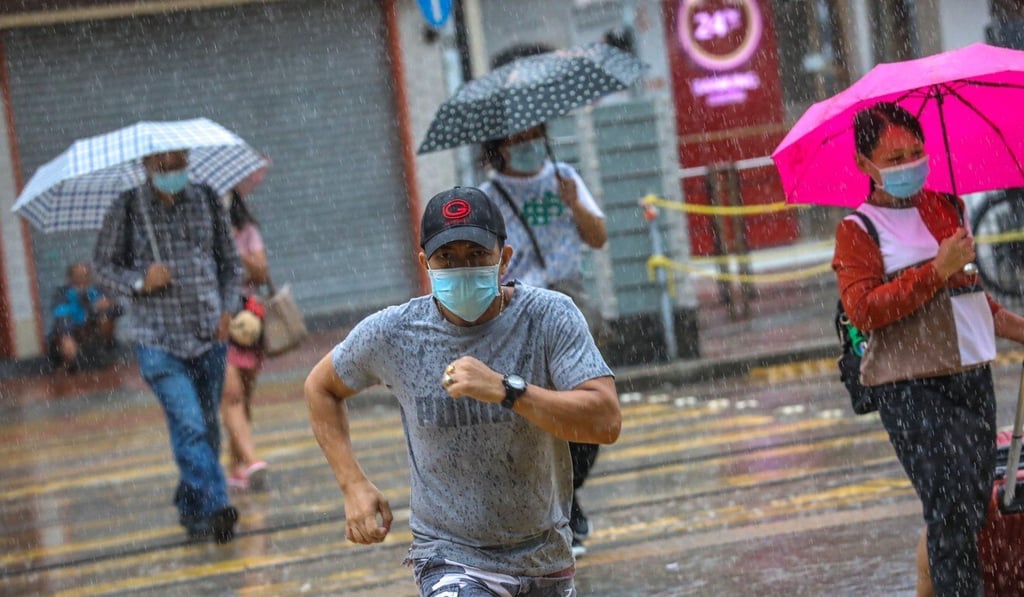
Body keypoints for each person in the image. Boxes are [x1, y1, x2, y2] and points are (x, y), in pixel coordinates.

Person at [306, 186, 621, 596]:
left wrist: (508, 391)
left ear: (504, 259)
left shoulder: (549, 317)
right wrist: (353, 485)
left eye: (476, 256)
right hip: (450, 556)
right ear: (426, 264)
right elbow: (320, 387)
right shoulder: (396, 333)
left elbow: (606, 420)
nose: (462, 268)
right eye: (447, 259)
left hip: (544, 554)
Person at [832, 101, 1024, 596]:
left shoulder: (949, 208)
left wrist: (1018, 328)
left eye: (916, 152)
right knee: (952, 512)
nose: (908, 165)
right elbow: (864, 310)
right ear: (863, 164)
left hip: (970, 376)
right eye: (894, 158)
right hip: (910, 387)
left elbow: (970, 299)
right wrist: (935, 270)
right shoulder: (858, 231)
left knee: (973, 506)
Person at [93, 149, 242, 543]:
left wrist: (228, 308)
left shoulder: (208, 199)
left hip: (208, 335)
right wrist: (141, 281)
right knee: (189, 423)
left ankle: (190, 504)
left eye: (179, 165)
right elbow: (103, 269)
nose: (173, 173)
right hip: (157, 340)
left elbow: (230, 262)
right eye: (164, 167)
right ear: (146, 166)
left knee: (206, 428)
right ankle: (216, 505)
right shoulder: (127, 208)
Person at [220, 189, 270, 492]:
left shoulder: (247, 232)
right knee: (232, 395)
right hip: (217, 321)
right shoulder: (196, 233)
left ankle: (235, 465)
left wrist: (233, 249)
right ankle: (251, 461)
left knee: (244, 398)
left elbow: (261, 272)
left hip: (249, 322)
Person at [47, 262, 122, 372]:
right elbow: (61, 314)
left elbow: (118, 309)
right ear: (70, 278)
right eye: (79, 276)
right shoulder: (62, 293)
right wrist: (67, 333)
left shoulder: (98, 290)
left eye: (86, 275)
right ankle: (67, 363)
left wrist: (110, 304)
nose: (83, 279)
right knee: (64, 339)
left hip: (92, 327)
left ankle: (106, 350)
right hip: (71, 329)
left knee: (106, 319)